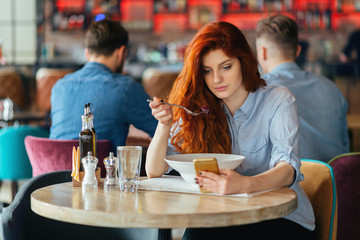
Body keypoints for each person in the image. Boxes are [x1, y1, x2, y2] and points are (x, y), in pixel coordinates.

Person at [146, 21, 315, 240]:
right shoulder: (197, 106)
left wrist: (245, 184)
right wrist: (164, 125)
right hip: (222, 213)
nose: (216, 80)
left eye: (226, 67)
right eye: (207, 71)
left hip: (281, 217)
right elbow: (154, 171)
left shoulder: (278, 99)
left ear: (243, 62)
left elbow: (287, 168)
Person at [50, 19, 157, 151]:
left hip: (53, 171)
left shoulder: (59, 87)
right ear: (121, 53)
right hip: (102, 171)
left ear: (87, 53)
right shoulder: (125, 88)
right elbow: (163, 130)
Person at [255, 14, 350, 162]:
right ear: (298, 51)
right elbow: (345, 144)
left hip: (298, 181)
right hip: (340, 180)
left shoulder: (261, 90)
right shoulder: (330, 86)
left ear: (263, 52)